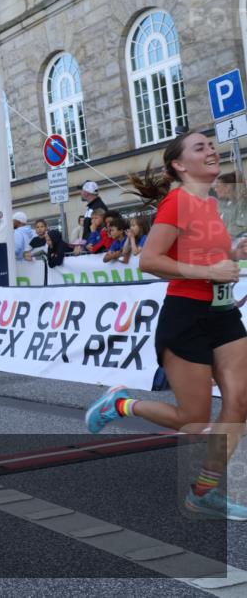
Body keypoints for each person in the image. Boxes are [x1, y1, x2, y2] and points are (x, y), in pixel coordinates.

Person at [86, 131, 247, 519]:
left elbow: (207, 251)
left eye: (211, 144)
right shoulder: (177, 202)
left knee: (239, 403)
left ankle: (204, 493)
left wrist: (234, 253)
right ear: (179, 165)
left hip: (223, 315)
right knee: (193, 421)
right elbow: (150, 260)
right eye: (199, 147)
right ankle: (123, 403)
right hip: (186, 316)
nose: (211, 149)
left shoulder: (208, 205)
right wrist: (208, 269)